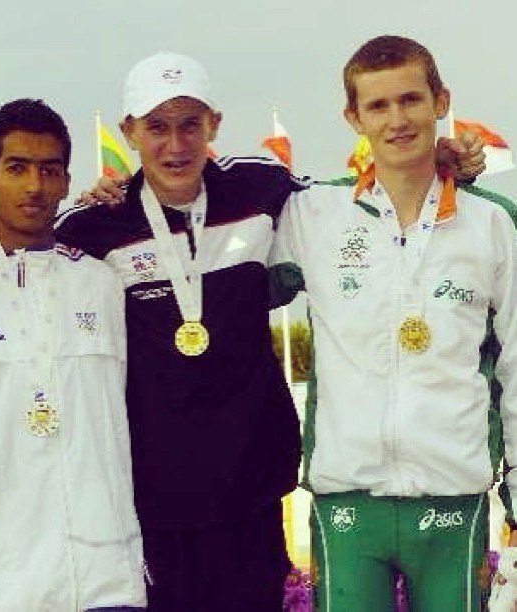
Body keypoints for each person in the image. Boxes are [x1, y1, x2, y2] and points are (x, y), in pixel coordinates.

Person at [54, 52, 486, 612]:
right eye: (156, 127)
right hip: (151, 498)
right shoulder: (94, 226)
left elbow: (354, 203)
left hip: (251, 489)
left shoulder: (260, 189)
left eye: (190, 124)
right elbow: (36, 268)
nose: (176, 145)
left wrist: (440, 162)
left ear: (215, 123)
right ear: (129, 132)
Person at [270, 35, 517, 611]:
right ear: (353, 117)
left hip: (454, 499)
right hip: (348, 501)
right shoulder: (311, 217)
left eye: (410, 99)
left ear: (440, 101)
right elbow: (226, 276)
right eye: (377, 106)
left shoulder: (493, 225)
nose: (397, 119)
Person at [0, 99, 146, 611]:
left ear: (65, 181)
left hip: (103, 582)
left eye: (48, 170)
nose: (34, 186)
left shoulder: (102, 285)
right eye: (16, 168)